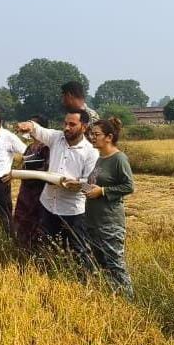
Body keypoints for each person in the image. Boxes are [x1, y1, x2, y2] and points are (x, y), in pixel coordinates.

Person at [15, 109, 98, 268]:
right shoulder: (56, 138)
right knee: (46, 247)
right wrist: (29, 125)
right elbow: (39, 130)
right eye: (65, 123)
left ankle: (83, 282)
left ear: (84, 127)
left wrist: (77, 184)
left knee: (78, 250)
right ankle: (48, 278)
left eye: (72, 124)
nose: (67, 128)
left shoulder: (91, 153)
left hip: (72, 210)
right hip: (48, 205)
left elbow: (89, 183)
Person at [83, 117, 135, 295]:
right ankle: (113, 297)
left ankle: (128, 302)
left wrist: (103, 191)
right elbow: (94, 184)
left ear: (109, 137)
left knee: (116, 264)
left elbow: (129, 186)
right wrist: (80, 185)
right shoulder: (100, 159)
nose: (92, 137)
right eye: (91, 134)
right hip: (93, 219)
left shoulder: (119, 159)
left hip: (109, 222)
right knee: (102, 263)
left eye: (96, 134)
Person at [13, 115, 51, 250]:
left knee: (38, 224)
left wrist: (30, 173)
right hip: (26, 192)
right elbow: (23, 165)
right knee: (22, 222)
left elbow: (47, 170)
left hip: (39, 192)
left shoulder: (47, 147)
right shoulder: (29, 147)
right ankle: (23, 251)